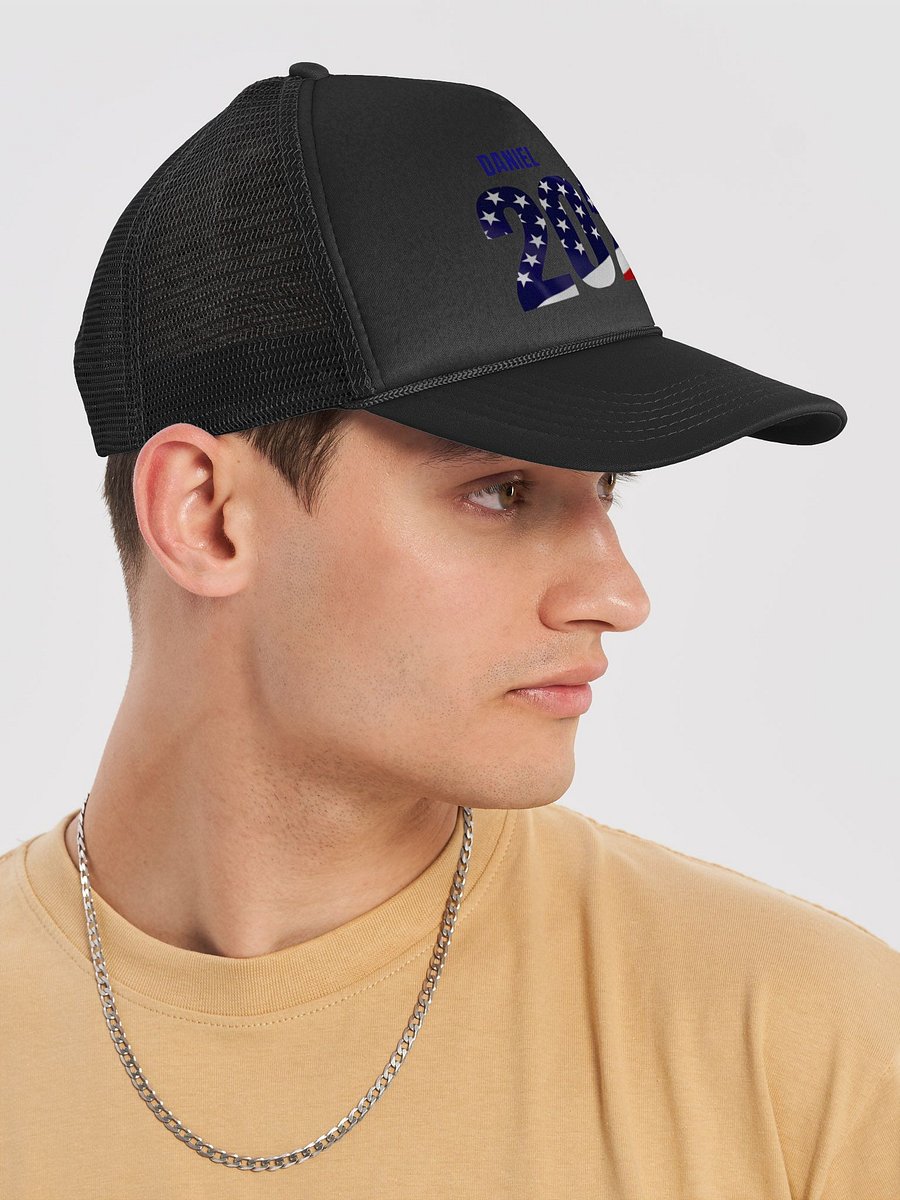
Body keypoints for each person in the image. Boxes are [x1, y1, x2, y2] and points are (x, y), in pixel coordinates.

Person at [1, 62, 896, 1196]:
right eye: (501, 492)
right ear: (206, 516)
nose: (618, 596)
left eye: (605, 490)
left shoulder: (808, 1049)